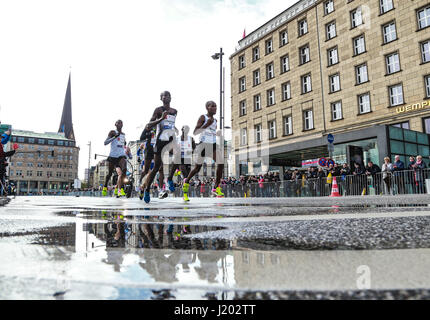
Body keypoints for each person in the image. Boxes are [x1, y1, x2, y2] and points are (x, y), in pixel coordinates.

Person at [182, 101, 225, 202]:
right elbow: (195, 132)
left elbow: (211, 132)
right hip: (203, 145)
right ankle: (186, 181)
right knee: (197, 168)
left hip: (213, 144)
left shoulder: (215, 120)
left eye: (216, 106)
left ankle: (216, 187)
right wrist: (206, 124)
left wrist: (216, 134)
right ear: (207, 108)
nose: (215, 108)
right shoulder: (203, 117)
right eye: (212, 106)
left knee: (221, 163)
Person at [141, 91, 178, 203]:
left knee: (179, 155)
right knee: (156, 167)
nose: (166, 97)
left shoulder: (175, 111)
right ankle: (147, 189)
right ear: (161, 98)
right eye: (164, 95)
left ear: (171, 98)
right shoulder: (158, 110)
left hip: (170, 139)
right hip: (160, 140)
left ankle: (170, 178)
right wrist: (161, 118)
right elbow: (149, 125)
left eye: (168, 95)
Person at [159, 125, 196, 199]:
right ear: (182, 130)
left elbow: (194, 148)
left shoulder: (191, 139)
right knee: (185, 175)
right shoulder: (177, 139)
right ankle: (170, 180)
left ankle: (184, 194)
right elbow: (170, 149)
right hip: (178, 158)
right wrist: (174, 152)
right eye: (185, 129)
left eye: (187, 130)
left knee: (187, 178)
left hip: (187, 159)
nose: (186, 131)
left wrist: (191, 151)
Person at [102, 120, 129, 197]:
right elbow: (105, 142)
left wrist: (126, 149)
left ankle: (121, 189)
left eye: (121, 122)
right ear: (115, 124)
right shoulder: (112, 132)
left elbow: (123, 144)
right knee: (110, 174)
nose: (120, 124)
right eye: (118, 122)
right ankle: (105, 186)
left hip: (121, 155)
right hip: (113, 156)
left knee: (124, 169)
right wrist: (114, 137)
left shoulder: (123, 134)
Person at [137, 126, 165, 200]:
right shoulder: (144, 143)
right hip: (146, 160)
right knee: (148, 173)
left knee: (153, 175)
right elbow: (138, 151)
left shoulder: (160, 135)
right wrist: (138, 157)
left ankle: (144, 188)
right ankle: (141, 184)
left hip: (155, 157)